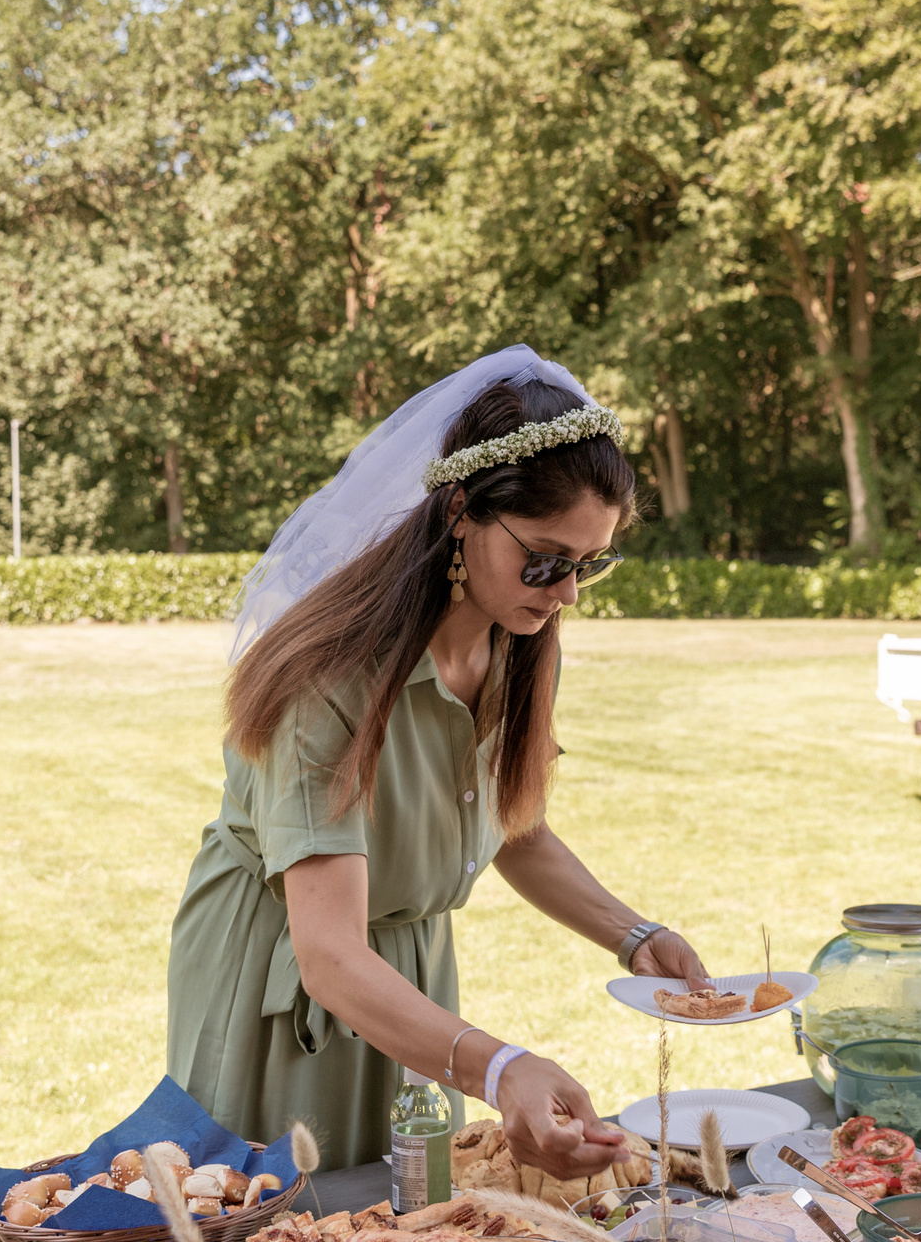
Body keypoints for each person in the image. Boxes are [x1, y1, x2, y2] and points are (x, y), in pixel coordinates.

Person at [166, 347, 713, 1176]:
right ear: (460, 510)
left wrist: (635, 935)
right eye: (545, 558)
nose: (565, 592)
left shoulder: (521, 643)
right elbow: (329, 952)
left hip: (406, 973)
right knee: (271, 1235)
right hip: (287, 976)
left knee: (408, 1229)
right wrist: (498, 1066)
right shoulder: (330, 674)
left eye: (588, 564)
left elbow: (509, 825)